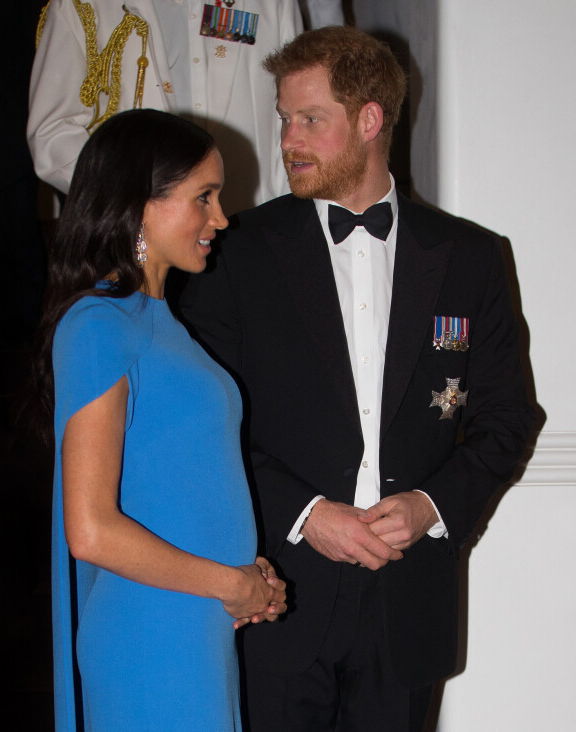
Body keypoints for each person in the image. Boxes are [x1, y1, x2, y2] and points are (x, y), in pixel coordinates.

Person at [180, 26, 534, 732]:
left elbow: (509, 419)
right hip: (278, 591)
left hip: (410, 607)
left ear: (370, 119)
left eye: (310, 119)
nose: (288, 140)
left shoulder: (471, 258)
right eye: (284, 118)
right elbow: (204, 424)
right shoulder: (234, 255)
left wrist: (430, 506)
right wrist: (308, 514)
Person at [31, 108, 286, 731]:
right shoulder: (98, 325)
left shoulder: (164, 325)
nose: (221, 218)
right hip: (150, 642)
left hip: (194, 632)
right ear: (140, 204)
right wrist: (230, 582)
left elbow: (183, 484)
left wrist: (247, 577)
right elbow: (89, 530)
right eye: (204, 197)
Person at [27, 0, 303, 214]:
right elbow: (52, 135)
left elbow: (297, 115)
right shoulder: (85, 6)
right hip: (136, 240)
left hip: (247, 224)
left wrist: (284, 220)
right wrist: (138, 197)